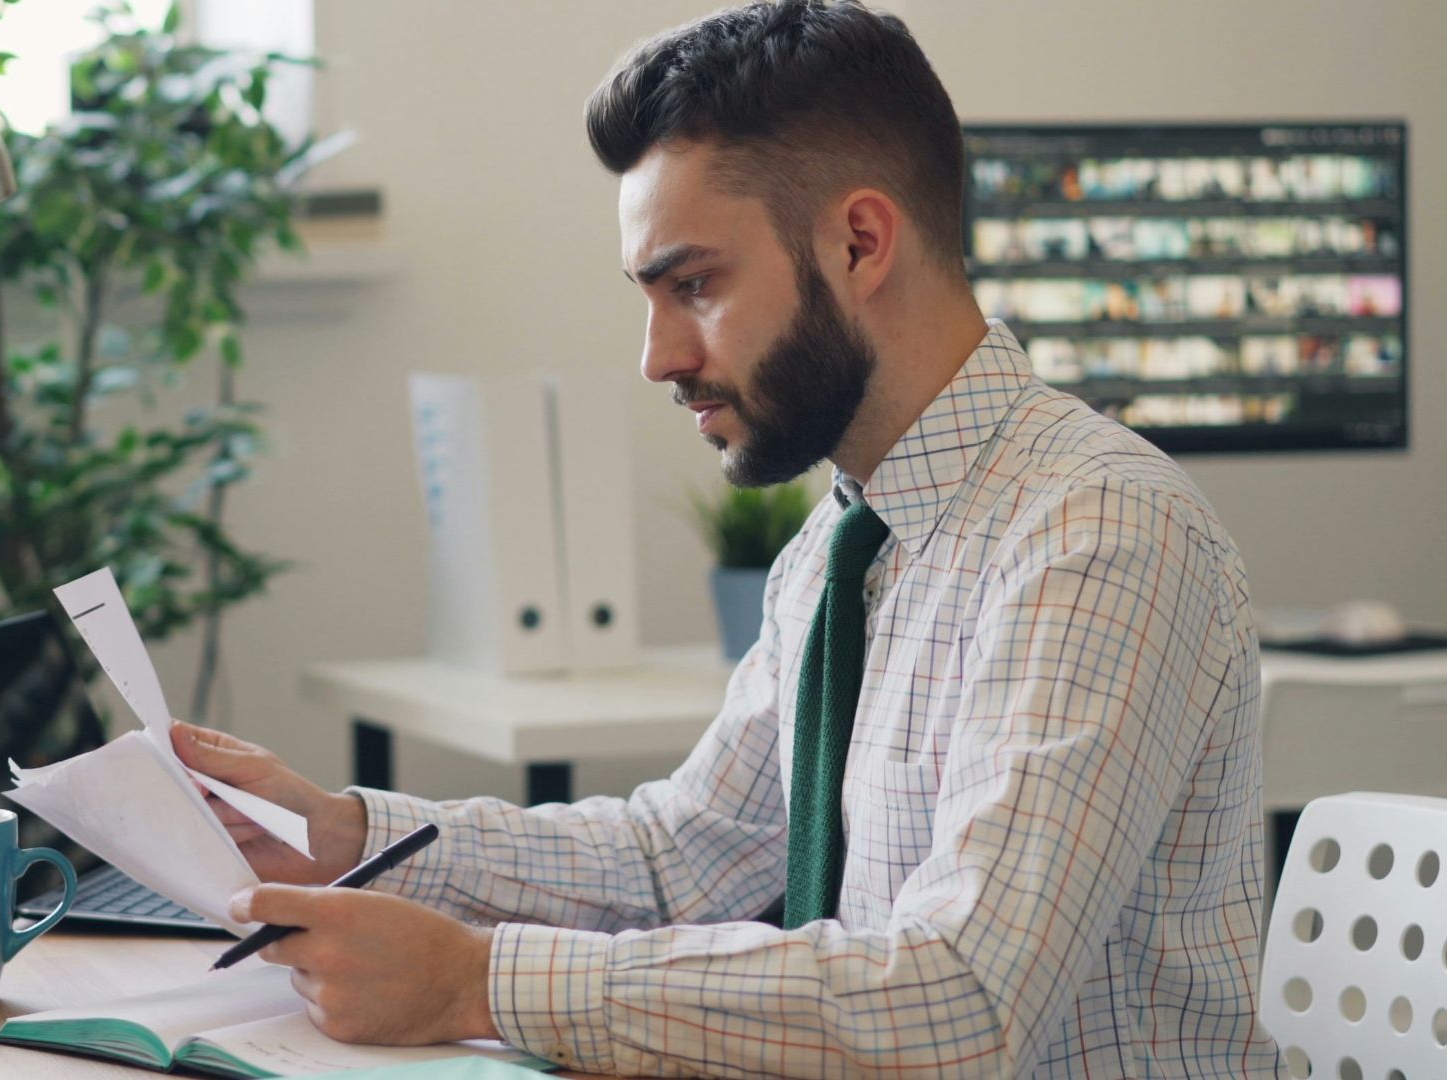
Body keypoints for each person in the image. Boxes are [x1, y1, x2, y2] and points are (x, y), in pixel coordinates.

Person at [170, 1, 1283, 1075]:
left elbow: (963, 1004)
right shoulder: (843, 546)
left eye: (692, 285)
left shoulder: (1098, 534)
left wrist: (478, 983)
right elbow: (680, 857)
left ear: (859, 240)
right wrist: (350, 835)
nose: (658, 356)